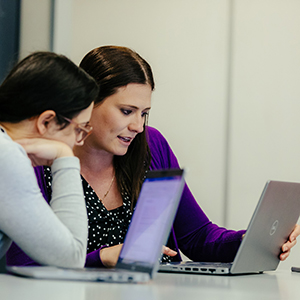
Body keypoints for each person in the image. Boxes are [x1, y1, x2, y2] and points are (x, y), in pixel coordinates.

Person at [7, 46, 300, 268]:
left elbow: (196, 236)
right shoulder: (35, 159)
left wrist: (247, 242)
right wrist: (105, 257)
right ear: (88, 103)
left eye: (144, 113)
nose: (138, 126)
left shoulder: (151, 145)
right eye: (127, 111)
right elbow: (26, 261)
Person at [0, 51, 99, 268]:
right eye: (80, 129)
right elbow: (71, 258)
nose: (79, 141)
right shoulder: (6, 156)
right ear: (46, 121)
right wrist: (65, 157)